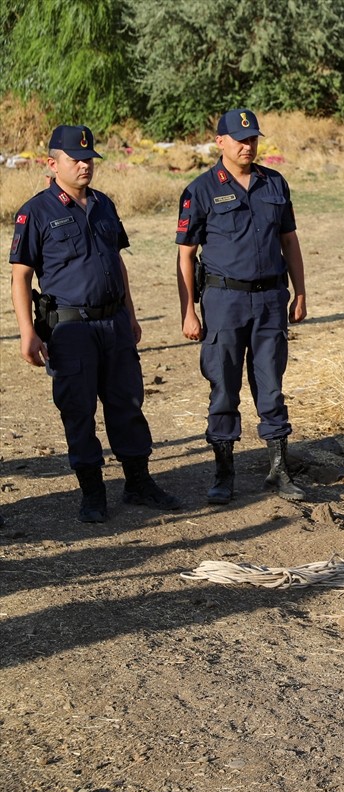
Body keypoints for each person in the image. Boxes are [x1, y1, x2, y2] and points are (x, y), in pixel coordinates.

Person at [9, 125, 181, 523]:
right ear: (53, 165)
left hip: (114, 323)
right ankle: (92, 491)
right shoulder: (35, 212)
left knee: (127, 402)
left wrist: (131, 314)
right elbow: (21, 276)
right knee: (79, 408)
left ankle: (138, 482)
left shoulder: (104, 204)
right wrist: (27, 332)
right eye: (76, 160)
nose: (85, 166)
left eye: (89, 159)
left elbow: (116, 262)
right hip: (71, 329)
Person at [176, 109, 308, 505]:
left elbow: (289, 242)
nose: (247, 145)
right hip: (224, 301)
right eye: (239, 139)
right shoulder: (200, 190)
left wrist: (300, 292)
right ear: (220, 142)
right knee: (223, 388)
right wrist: (188, 311)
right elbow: (186, 256)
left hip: (270, 300)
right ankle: (223, 472)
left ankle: (278, 470)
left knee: (271, 386)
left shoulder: (274, 184)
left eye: (252, 139)